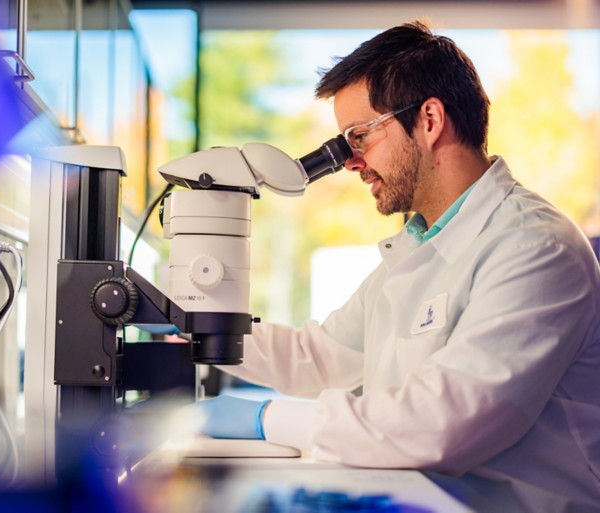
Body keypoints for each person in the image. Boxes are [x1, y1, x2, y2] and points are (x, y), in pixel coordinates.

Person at [196, 20, 600, 513]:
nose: (350, 161)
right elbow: (318, 357)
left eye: (359, 136)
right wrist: (192, 321)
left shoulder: (535, 248)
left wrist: (267, 419)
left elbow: (440, 424)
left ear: (429, 120)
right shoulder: (419, 247)